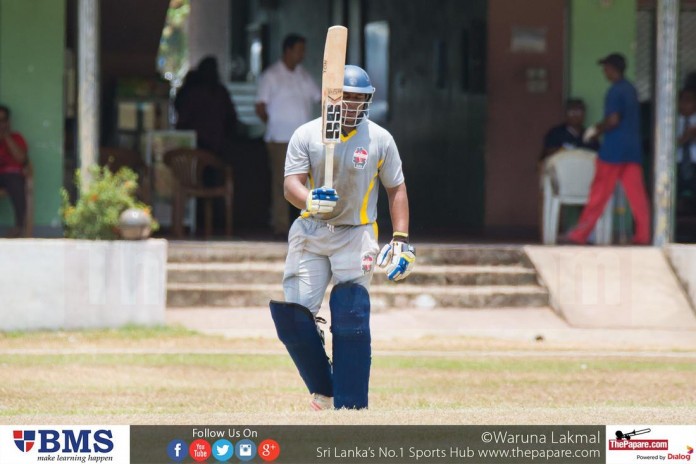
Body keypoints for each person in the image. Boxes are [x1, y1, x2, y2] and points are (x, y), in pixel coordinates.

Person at [268, 65, 415, 410]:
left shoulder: (380, 138)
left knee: (351, 313)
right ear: (330, 97)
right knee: (295, 319)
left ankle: (349, 403)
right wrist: (309, 199)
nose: (351, 105)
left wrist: (401, 239)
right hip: (311, 232)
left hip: (356, 232)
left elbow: (396, 188)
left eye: (358, 99)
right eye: (345, 97)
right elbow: (291, 183)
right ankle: (323, 385)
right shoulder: (306, 134)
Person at [565, 53, 651, 245]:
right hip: (632, 151)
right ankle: (643, 236)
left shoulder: (615, 91)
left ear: (612, 69)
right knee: (637, 197)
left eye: (606, 68)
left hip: (613, 151)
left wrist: (595, 130)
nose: (604, 72)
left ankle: (580, 235)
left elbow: (613, 120)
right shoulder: (631, 89)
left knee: (599, 194)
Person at [256, 34, 320, 236]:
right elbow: (260, 106)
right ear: (288, 50)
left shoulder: (303, 75)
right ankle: (281, 225)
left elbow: (321, 98)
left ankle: (309, 223)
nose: (303, 54)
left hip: (305, 141)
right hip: (280, 139)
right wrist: (274, 125)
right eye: (300, 49)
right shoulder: (272, 75)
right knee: (282, 182)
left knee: (309, 180)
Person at [175, 56, 238, 164]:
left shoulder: (193, 92)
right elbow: (231, 116)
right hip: (214, 142)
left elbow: (182, 114)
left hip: (198, 141)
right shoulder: (218, 92)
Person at [0, 105, 29, 238]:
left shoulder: (16, 137)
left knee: (16, 181)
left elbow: (21, 158)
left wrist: (6, 137)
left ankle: (19, 227)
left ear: (8, 122)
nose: (0, 124)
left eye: (3, 120)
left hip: (11, 176)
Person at [677, 87, 696, 217]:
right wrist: (684, 138)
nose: (683, 104)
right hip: (677, 166)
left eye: (688, 100)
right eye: (681, 100)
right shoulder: (670, 121)